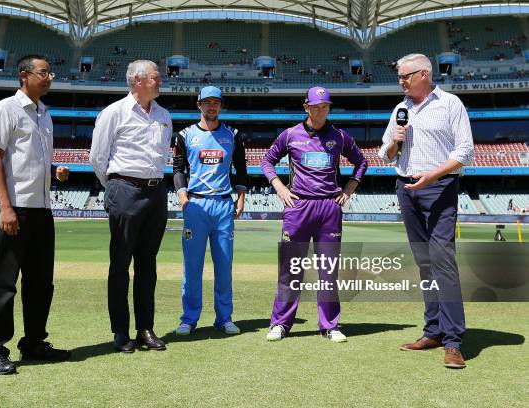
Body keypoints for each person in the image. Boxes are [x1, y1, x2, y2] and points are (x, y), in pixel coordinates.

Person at [378, 53, 474, 369]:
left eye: (405, 76)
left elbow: (465, 152)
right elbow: (385, 154)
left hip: (440, 187)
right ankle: (432, 331)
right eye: (399, 77)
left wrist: (432, 175)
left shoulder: (450, 104)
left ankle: (453, 341)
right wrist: (395, 141)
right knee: (424, 263)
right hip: (406, 189)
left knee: (442, 261)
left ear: (423, 74)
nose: (401, 81)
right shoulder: (400, 110)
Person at [0, 55, 71, 375]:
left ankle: (33, 342)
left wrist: (53, 171)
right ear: (24, 75)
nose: (50, 77)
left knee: (41, 283)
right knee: (4, 282)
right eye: (44, 72)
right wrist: (5, 206)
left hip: (42, 209)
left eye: (51, 72)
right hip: (14, 207)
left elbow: (29, 160)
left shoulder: (45, 114)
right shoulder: (7, 108)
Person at [261, 86, 367, 342]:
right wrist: (279, 187)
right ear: (305, 106)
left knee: (328, 271)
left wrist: (349, 189)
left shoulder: (339, 136)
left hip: (329, 208)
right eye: (316, 106)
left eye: (325, 107)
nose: (320, 111)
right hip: (298, 208)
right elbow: (267, 161)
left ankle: (330, 326)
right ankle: (281, 324)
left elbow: (361, 162)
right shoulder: (289, 135)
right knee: (290, 269)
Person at [89, 60, 172, 353]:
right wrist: (116, 186)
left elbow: (162, 155)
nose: (160, 80)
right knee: (120, 264)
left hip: (156, 192)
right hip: (124, 189)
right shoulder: (114, 113)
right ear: (138, 80)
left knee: (148, 265)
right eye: (155, 77)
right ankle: (121, 332)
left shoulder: (163, 115)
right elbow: (98, 157)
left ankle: (145, 328)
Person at [172, 86, 248, 336]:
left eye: (216, 102)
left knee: (224, 266)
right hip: (196, 205)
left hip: (223, 205)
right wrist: (183, 198)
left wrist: (241, 197)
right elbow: (179, 169)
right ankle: (189, 319)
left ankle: (224, 318)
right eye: (207, 102)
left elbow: (241, 169)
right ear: (199, 105)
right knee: (192, 266)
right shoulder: (184, 135)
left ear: (221, 106)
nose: (212, 107)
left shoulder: (233, 135)